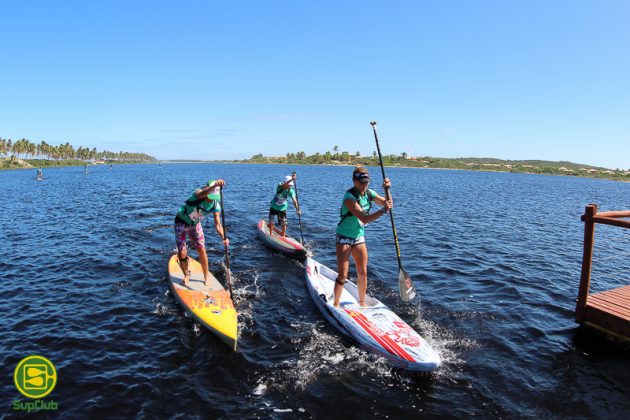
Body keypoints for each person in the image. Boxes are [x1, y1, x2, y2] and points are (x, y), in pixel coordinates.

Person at [334, 166, 393, 308]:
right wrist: (383, 210)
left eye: (366, 182)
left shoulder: (369, 193)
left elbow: (388, 204)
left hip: (358, 237)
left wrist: (387, 190)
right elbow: (364, 218)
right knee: (343, 275)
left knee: (363, 272)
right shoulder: (349, 197)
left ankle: (362, 303)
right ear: (354, 181)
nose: (364, 185)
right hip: (344, 237)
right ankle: (335, 305)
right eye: (361, 182)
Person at [174, 179, 229, 287]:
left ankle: (206, 277)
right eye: (210, 196)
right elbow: (201, 195)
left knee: (201, 248)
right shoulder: (198, 192)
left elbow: (218, 224)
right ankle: (186, 275)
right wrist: (213, 187)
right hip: (181, 222)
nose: (211, 200)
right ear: (206, 189)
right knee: (182, 252)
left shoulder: (215, 205)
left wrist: (224, 237)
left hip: (195, 223)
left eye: (214, 197)